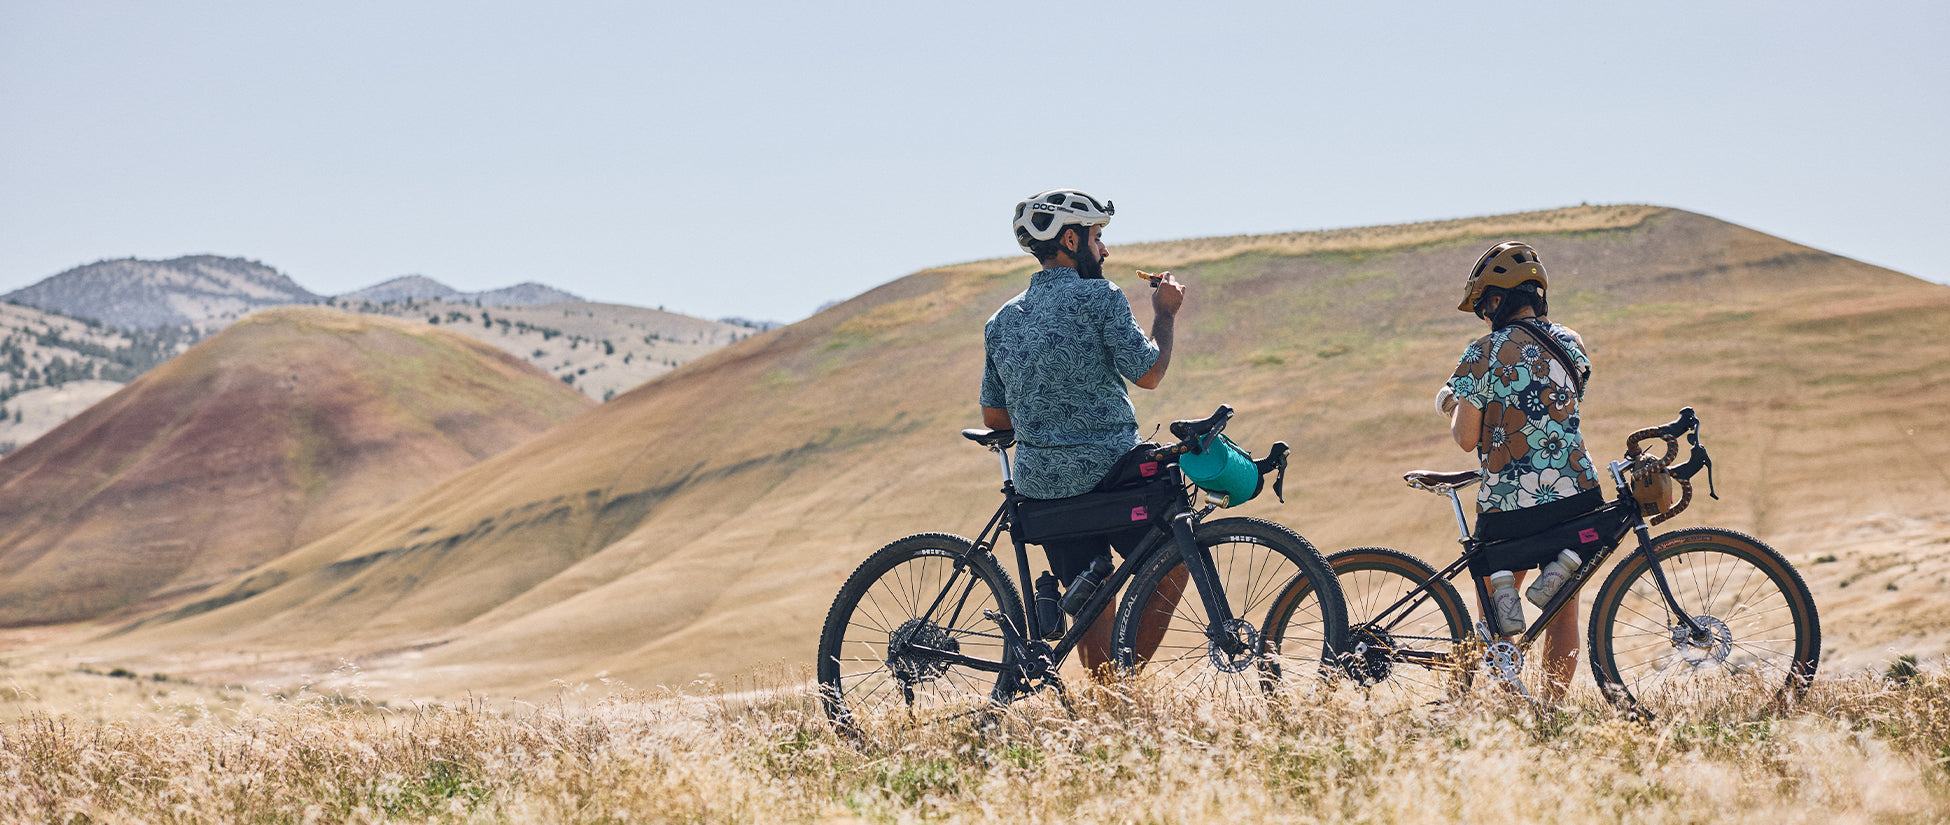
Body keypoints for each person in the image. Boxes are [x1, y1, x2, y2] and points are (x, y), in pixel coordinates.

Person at [979, 188, 1185, 674]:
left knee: (1091, 597)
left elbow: (993, 416)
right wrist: (1164, 313)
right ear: (1070, 239)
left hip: (1042, 487)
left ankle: (1105, 696)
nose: (1105, 250)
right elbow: (1149, 373)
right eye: (1098, 237)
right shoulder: (1101, 296)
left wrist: (1043, 414)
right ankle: (1123, 678)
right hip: (1110, 471)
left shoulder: (1002, 320)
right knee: (1172, 564)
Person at [1441, 240, 1596, 700]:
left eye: (1485, 305)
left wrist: (1453, 402)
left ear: (1496, 299)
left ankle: (1509, 704)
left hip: (1510, 501)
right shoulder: (1571, 342)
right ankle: (1550, 711)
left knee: (1498, 608)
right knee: (1563, 610)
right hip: (1575, 495)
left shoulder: (1483, 350)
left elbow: (1466, 437)